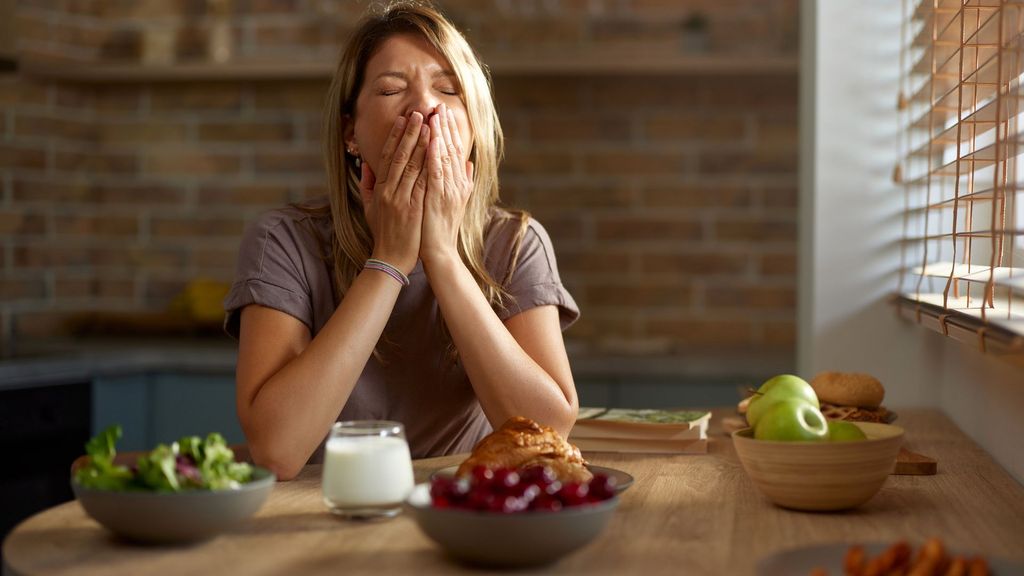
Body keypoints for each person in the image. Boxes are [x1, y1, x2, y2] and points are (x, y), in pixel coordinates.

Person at [224, 1, 580, 481]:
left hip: (463, 506)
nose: (425, 106)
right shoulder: (283, 241)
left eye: (448, 89)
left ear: (473, 128)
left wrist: (441, 257)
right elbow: (277, 450)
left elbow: (548, 432)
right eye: (392, 88)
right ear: (351, 131)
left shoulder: (516, 242)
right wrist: (389, 260)